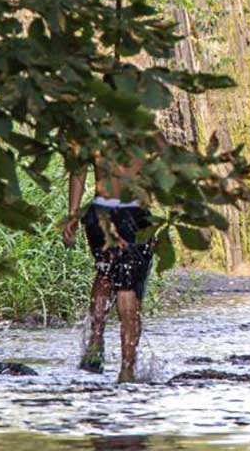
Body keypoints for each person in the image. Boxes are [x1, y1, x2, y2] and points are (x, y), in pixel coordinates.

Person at [63, 137, 162, 383]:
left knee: (105, 272)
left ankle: (96, 340)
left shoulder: (93, 126)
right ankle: (127, 368)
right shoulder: (143, 127)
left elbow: (78, 168)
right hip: (133, 213)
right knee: (128, 288)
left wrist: (73, 213)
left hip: (99, 212)